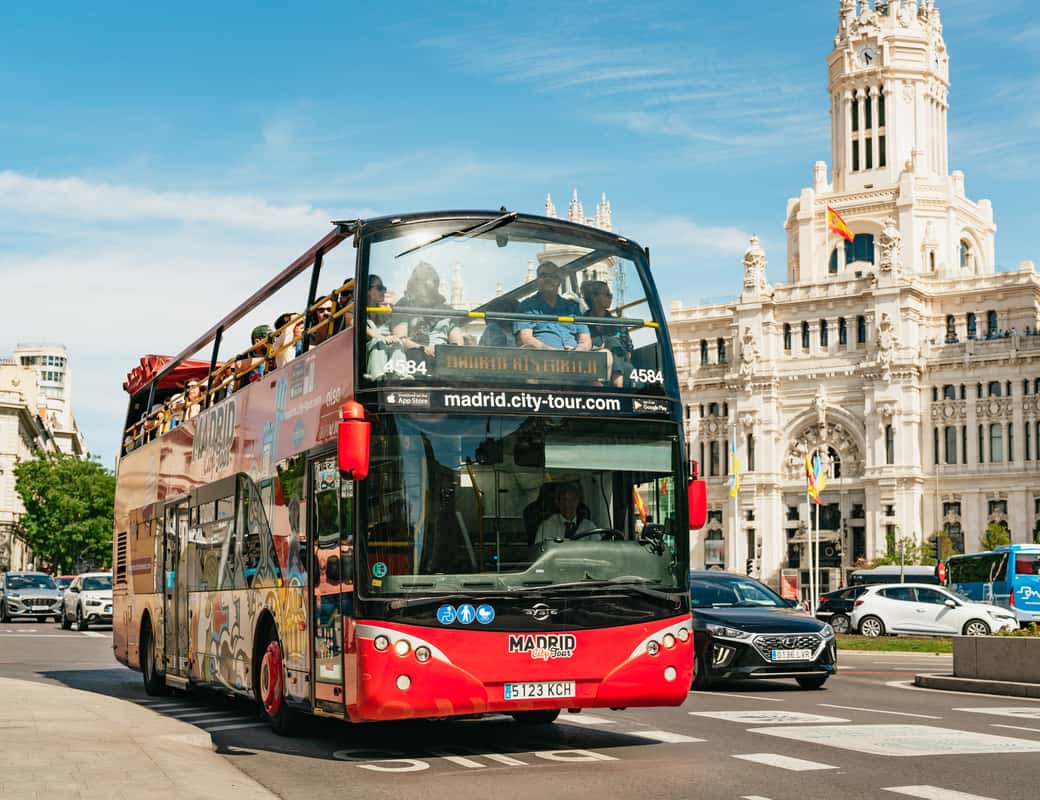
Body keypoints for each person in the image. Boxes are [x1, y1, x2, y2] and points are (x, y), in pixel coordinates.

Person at [392, 261, 464, 359]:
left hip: (442, 359)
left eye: (431, 281)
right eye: (422, 281)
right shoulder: (404, 305)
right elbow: (399, 340)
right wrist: (424, 349)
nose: (427, 286)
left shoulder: (448, 311)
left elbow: (458, 343)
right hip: (411, 359)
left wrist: (443, 352)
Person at [515, 261, 591, 351]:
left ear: (559, 281)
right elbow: (525, 339)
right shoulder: (527, 306)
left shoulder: (572, 307)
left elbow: (586, 340)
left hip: (575, 357)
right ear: (537, 281)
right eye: (543, 275)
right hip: (542, 356)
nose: (548, 279)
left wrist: (577, 350)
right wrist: (552, 351)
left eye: (552, 276)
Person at [582, 280, 634, 387]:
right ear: (594, 297)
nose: (611, 298)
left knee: (627, 367)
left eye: (611, 295)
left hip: (619, 364)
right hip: (592, 365)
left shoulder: (618, 324)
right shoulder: (581, 322)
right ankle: (617, 384)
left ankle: (617, 381)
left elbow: (628, 352)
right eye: (607, 295)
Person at [365, 274, 407, 378]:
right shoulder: (357, 307)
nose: (383, 291)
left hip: (383, 348)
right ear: (368, 290)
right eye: (380, 288)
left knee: (397, 343)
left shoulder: (383, 313)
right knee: (378, 342)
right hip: (363, 352)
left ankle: (401, 375)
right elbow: (354, 324)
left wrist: (394, 338)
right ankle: (377, 375)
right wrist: (382, 338)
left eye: (384, 288)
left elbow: (393, 331)